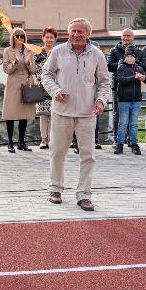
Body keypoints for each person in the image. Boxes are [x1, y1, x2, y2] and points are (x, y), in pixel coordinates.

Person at [41, 18, 110, 210]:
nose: (76, 35)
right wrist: (55, 91)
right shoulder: (58, 51)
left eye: (80, 32)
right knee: (57, 152)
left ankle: (84, 195)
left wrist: (100, 101)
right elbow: (45, 74)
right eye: (73, 31)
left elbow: (104, 82)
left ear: (88, 34)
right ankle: (55, 189)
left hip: (87, 113)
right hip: (62, 111)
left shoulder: (97, 54)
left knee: (88, 155)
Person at [1, 27, 39, 152]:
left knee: (24, 115)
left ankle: (21, 142)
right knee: (10, 114)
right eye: (17, 36)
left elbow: (34, 70)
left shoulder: (29, 50)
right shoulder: (7, 50)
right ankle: (10, 143)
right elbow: (6, 70)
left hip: (26, 84)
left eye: (22, 36)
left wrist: (28, 63)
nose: (19, 38)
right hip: (13, 85)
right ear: (13, 37)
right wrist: (16, 62)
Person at [114, 48, 146, 154]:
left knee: (133, 124)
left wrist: (143, 78)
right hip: (123, 100)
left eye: (131, 56)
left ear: (135, 58)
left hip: (136, 100)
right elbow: (120, 80)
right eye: (127, 56)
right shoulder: (121, 67)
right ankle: (120, 144)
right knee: (123, 123)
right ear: (125, 57)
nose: (129, 58)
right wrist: (134, 77)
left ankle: (134, 143)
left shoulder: (139, 68)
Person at [107, 28, 137, 145]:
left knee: (131, 113)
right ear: (121, 37)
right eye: (124, 35)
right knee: (117, 113)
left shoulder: (136, 50)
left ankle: (130, 139)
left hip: (133, 86)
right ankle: (117, 139)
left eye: (128, 36)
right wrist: (124, 62)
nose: (126, 38)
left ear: (132, 38)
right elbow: (109, 66)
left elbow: (141, 64)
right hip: (118, 86)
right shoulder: (114, 50)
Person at [35, 27, 59, 149]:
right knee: (43, 115)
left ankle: (52, 139)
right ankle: (44, 139)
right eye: (47, 37)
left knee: (53, 114)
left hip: (55, 87)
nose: (49, 39)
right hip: (42, 85)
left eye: (51, 37)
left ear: (55, 39)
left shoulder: (58, 52)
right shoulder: (38, 53)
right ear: (43, 38)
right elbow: (36, 70)